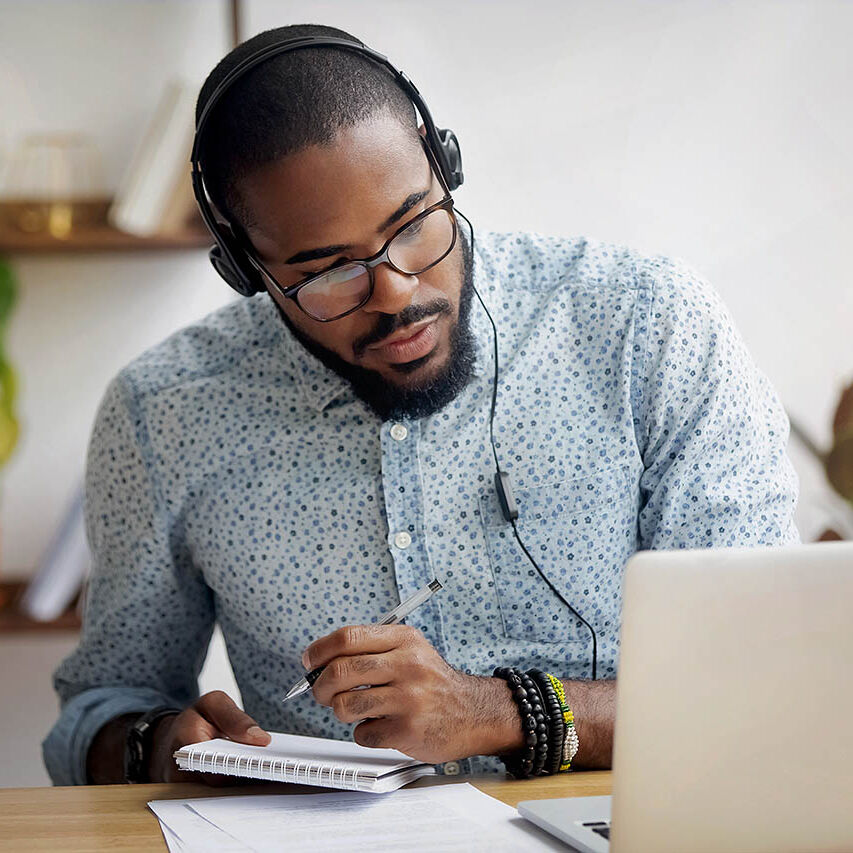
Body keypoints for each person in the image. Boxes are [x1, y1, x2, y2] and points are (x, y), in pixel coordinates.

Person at [43, 23, 799, 786]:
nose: (396, 290)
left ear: (446, 167)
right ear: (245, 269)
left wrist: (497, 711)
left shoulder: (647, 326)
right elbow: (99, 709)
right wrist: (158, 742)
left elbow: (766, 681)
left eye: (412, 225)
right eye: (328, 270)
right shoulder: (162, 412)